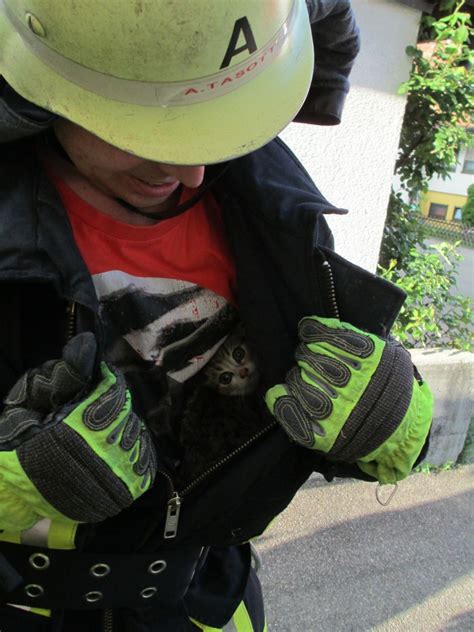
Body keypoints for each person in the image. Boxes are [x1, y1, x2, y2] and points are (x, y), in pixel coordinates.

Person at [0, 1, 433, 630]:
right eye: (146, 130)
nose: (191, 170)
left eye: (212, 126)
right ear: (44, 92)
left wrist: (391, 418)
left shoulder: (269, 208)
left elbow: (359, 412)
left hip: (211, 604)